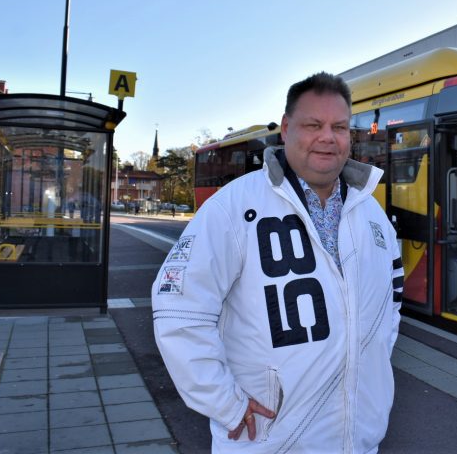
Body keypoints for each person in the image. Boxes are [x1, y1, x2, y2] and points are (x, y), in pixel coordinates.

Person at [152, 72, 404, 453]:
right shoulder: (233, 207)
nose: (327, 137)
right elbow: (179, 311)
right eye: (313, 125)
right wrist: (227, 405)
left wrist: (371, 383)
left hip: (359, 441)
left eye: (338, 126)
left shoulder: (373, 215)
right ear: (286, 129)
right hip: (268, 442)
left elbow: (390, 310)